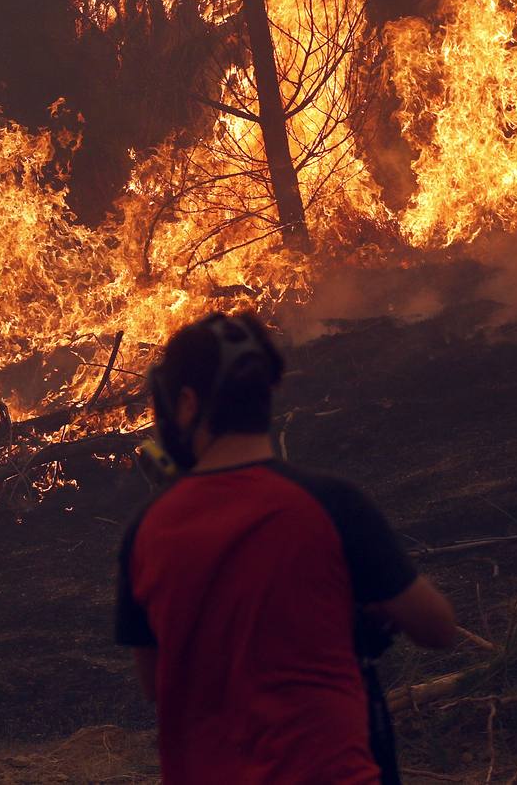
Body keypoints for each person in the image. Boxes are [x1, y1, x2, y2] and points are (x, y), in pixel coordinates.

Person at [116, 311, 457, 785]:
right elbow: (437, 627)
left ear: (188, 405)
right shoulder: (334, 504)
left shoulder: (147, 532)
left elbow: (156, 683)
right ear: (266, 392)